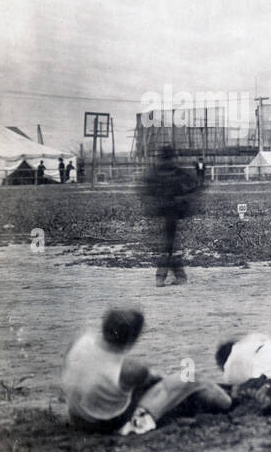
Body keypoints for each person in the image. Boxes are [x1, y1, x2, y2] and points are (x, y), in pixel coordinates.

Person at [62, 307, 231, 435]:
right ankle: (230, 404)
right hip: (109, 425)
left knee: (133, 388)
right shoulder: (130, 369)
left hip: (78, 417)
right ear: (133, 338)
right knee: (190, 379)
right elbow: (157, 381)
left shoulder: (82, 340)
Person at [141, 145, 197, 286]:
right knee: (169, 245)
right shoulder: (174, 172)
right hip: (168, 211)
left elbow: (146, 190)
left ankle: (164, 277)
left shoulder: (158, 173)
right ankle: (174, 276)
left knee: (168, 244)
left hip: (165, 211)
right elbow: (193, 185)